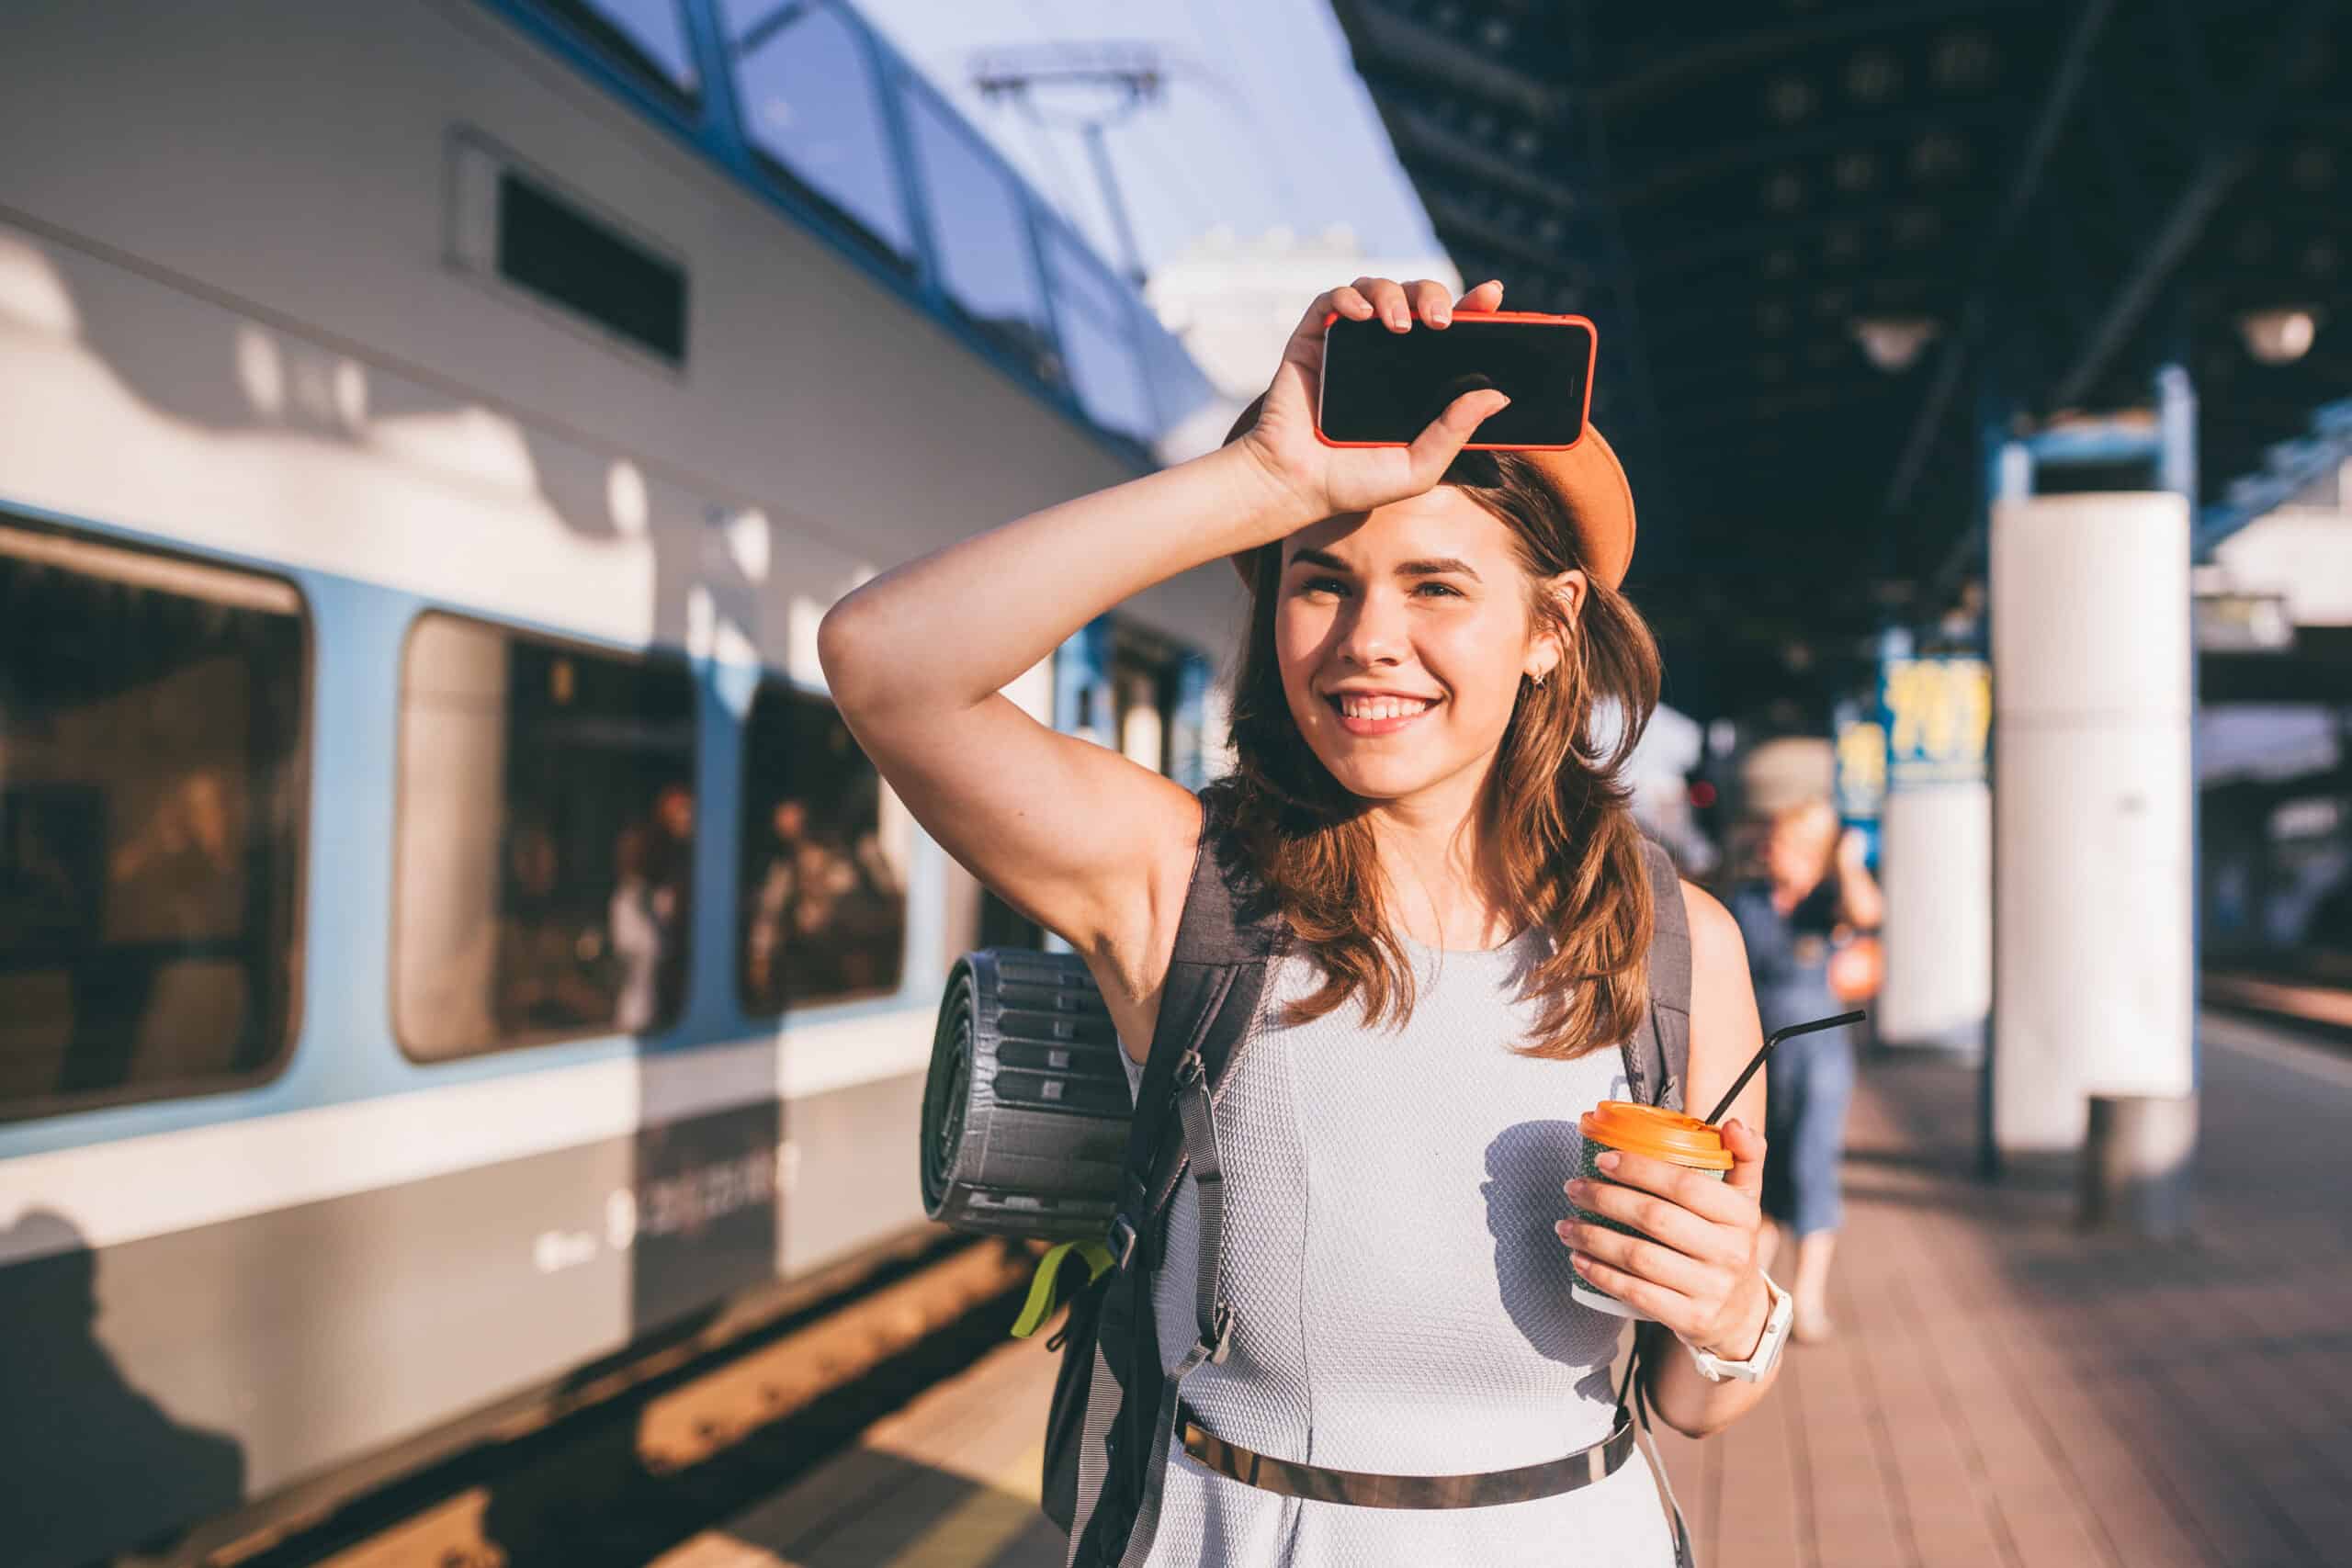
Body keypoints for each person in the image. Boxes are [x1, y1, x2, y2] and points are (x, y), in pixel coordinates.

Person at [820, 276, 1782, 1564]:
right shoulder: (1185, 880)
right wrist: (1272, 482)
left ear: (1551, 628)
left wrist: (1730, 1305)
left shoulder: (1679, 946)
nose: (1366, 640)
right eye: (1318, 583)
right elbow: (885, 661)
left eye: (1437, 586)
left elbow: (1695, 1400)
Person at [1727, 797, 1883, 1343]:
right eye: (1774, 844)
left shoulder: (1826, 901)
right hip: (1760, 1057)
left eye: (1790, 846)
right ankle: (1761, 1296)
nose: (1777, 855)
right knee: (1758, 1172)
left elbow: (1868, 913)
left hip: (1819, 1057)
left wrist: (1845, 861)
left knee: (1812, 1168)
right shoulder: (1747, 902)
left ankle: (1809, 1301)